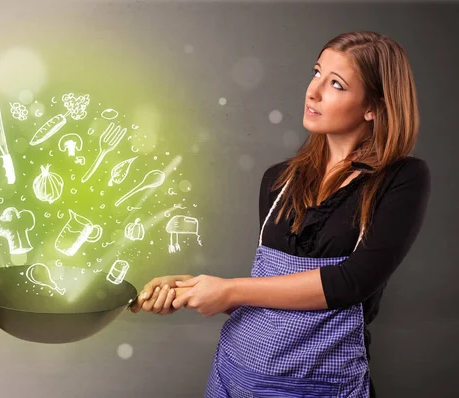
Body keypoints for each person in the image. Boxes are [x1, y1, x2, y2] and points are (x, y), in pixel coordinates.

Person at [129, 31, 431, 398]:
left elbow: (352, 283)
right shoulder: (278, 180)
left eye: (336, 84)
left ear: (374, 107)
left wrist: (228, 290)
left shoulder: (401, 179)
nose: (313, 92)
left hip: (319, 385)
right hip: (233, 373)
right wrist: (193, 289)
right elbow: (275, 300)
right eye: (316, 72)